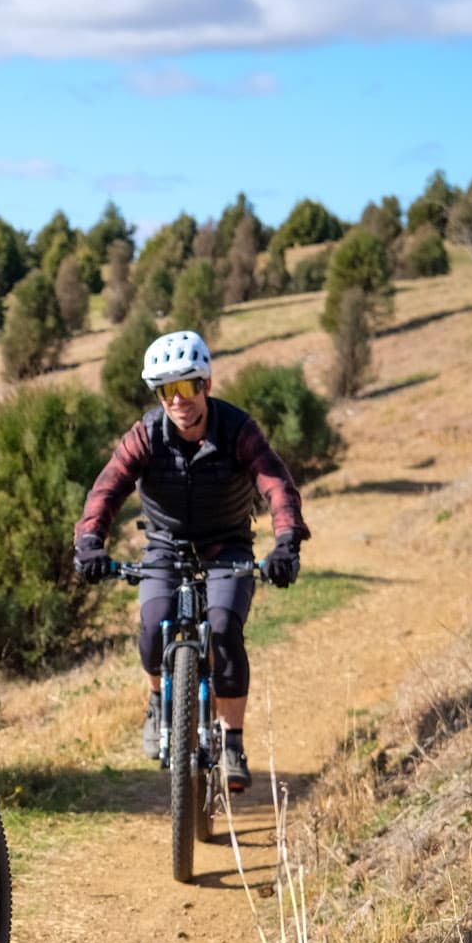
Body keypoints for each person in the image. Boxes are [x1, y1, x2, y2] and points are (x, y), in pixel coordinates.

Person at [72, 330, 309, 791]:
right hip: (166, 546)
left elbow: (276, 485)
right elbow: (107, 489)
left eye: (187, 385)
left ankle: (232, 741)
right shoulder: (146, 435)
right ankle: (157, 700)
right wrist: (89, 543)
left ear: (207, 385)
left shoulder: (237, 430)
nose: (178, 399)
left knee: (223, 628)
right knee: (153, 621)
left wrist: (286, 543)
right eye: (166, 390)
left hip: (227, 548)